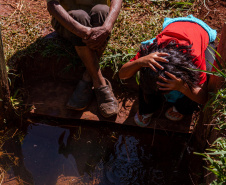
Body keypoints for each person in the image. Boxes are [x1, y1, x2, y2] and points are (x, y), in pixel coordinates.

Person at [119, 15, 217, 127]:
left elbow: (203, 98)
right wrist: (139, 62)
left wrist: (182, 86)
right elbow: (122, 75)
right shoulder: (150, 52)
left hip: (201, 29)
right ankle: (147, 108)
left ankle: (181, 108)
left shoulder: (193, 61)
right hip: (173, 25)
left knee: (206, 74)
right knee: (147, 77)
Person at [46, 0, 122, 118]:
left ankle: (87, 77)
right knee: (79, 16)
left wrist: (107, 27)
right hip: (68, 21)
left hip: (100, 20)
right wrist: (82, 30)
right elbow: (52, 5)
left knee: (101, 11)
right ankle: (100, 82)